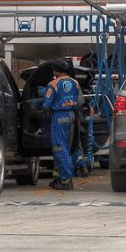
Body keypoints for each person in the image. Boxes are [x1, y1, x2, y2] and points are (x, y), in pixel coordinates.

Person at [42, 59, 80, 190]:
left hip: (59, 118)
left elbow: (46, 104)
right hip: (72, 117)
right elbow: (80, 101)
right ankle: (61, 176)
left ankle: (66, 180)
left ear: (55, 71)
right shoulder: (75, 83)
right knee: (69, 148)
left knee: (59, 148)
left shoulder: (53, 84)